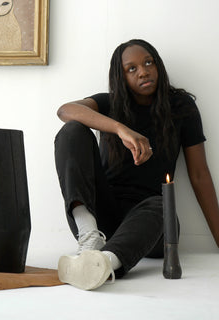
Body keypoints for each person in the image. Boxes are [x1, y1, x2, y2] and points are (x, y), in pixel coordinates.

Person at [54, 39, 219, 291]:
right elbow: (65, 110)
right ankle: (89, 241)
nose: (143, 71)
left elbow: (199, 175)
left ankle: (104, 264)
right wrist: (120, 128)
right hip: (103, 223)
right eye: (131, 69)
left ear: (158, 66)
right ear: (121, 77)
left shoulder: (181, 107)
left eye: (148, 63)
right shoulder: (109, 105)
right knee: (72, 131)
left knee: (164, 204)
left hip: (152, 224)